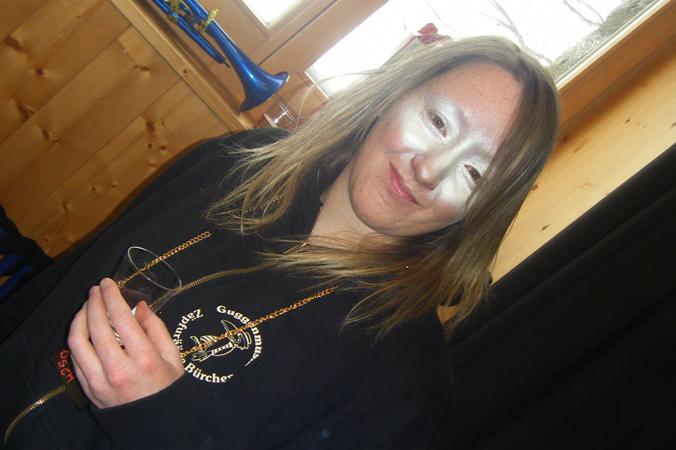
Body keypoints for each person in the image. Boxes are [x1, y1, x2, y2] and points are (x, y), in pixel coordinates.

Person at [0, 36, 559, 449]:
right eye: (437, 122)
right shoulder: (233, 163)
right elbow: (55, 291)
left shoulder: (408, 386)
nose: (429, 171)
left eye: (475, 174)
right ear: (394, 94)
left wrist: (160, 423)